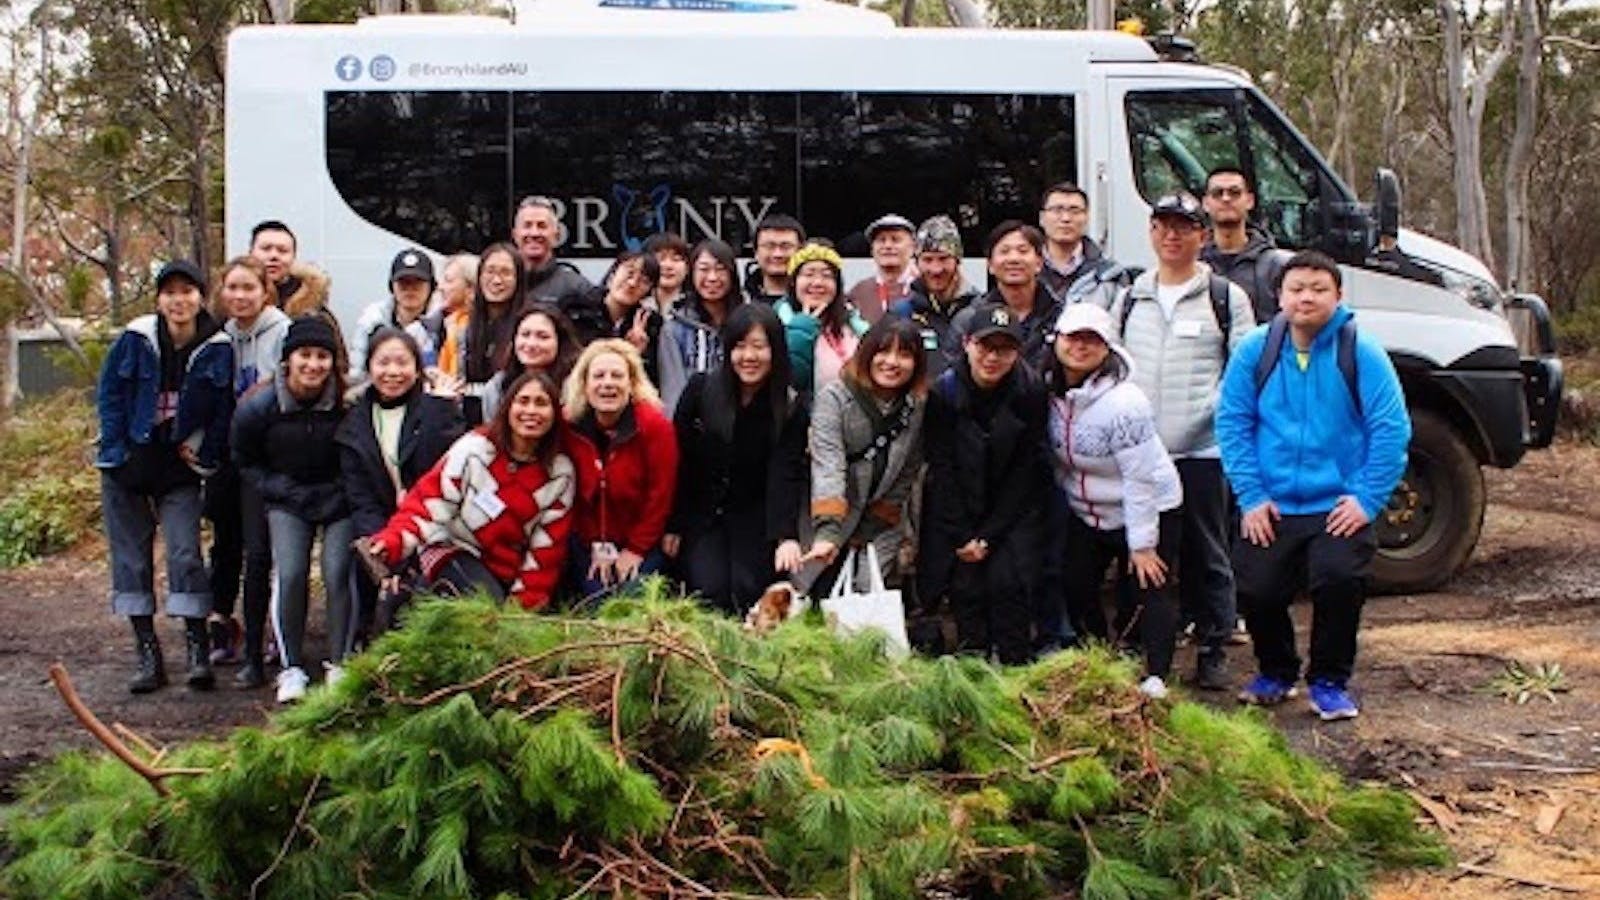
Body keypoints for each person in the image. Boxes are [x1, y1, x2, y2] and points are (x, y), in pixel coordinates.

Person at [1217, 250, 1410, 720]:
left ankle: (1329, 681)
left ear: (1338, 296)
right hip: (1272, 501)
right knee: (1258, 590)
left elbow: (1391, 429)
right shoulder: (1256, 350)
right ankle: (1276, 672)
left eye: (1318, 288)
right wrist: (1252, 496)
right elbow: (1232, 422)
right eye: (1296, 288)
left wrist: (1367, 499)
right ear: (1279, 296)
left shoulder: (1360, 350)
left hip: (1337, 502)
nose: (1306, 297)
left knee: (1338, 582)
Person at [1110, 192, 1255, 691]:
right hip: (1142, 456)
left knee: (1208, 551)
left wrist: (1207, 417)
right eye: (1163, 226)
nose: (1172, 236)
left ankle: (1213, 646)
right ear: (1151, 232)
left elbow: (1243, 371)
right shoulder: (1131, 295)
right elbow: (1113, 367)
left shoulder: (1224, 296)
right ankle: (1141, 647)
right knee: (1144, 552)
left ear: (1202, 234)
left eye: (1184, 227)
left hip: (1202, 451)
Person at [96, 260, 234, 693]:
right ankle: (147, 652)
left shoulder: (217, 345)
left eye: (188, 291)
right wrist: (115, 448)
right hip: (128, 464)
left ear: (201, 296)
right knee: (131, 559)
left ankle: (196, 646)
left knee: (184, 553)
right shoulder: (137, 339)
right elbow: (110, 394)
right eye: (170, 292)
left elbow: (222, 409)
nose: (179, 300)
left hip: (179, 467)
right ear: (159, 299)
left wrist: (207, 454)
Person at [1045, 303, 1183, 699]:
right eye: (1074, 337)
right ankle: (1099, 655)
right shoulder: (1048, 390)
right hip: (1085, 509)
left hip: (1147, 505)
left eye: (1093, 339)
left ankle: (1156, 671)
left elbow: (1139, 478)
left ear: (1108, 348)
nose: (1081, 347)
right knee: (1076, 581)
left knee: (1148, 583)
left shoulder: (1125, 403)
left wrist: (1142, 544)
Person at [361, 369, 576, 610]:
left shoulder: (560, 474)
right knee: (485, 605)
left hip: (507, 568)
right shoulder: (474, 450)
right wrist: (393, 541)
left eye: (541, 403)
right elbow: (429, 503)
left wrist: (522, 611)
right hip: (453, 549)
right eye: (523, 401)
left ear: (554, 414)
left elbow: (546, 550)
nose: (531, 411)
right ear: (507, 408)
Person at [231, 317, 353, 703]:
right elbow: (244, 459)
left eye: (322, 356)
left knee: (337, 571)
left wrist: (341, 492)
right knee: (292, 571)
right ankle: (291, 666)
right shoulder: (259, 405)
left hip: (338, 499)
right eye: (305, 355)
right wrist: (279, 489)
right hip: (286, 498)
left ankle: (340, 662)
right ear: (287, 360)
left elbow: (361, 453)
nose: (313, 365)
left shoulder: (348, 402)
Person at [919, 302, 1048, 664]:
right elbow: (941, 467)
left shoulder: (1031, 391)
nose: (993, 357)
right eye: (985, 347)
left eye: (1004, 350)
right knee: (965, 587)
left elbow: (1027, 469)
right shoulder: (943, 392)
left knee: (1010, 584)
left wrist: (990, 535)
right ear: (967, 344)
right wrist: (963, 535)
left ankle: (1014, 669)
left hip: (1011, 508)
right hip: (958, 504)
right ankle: (971, 669)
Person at [664, 304, 808, 615]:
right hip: (703, 514)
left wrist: (786, 536)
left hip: (754, 516)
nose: (749, 357)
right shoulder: (701, 390)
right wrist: (673, 524)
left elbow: (785, 472)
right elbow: (680, 460)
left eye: (759, 347)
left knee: (748, 587)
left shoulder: (789, 406)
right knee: (708, 588)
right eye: (740, 346)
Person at [336, 328, 464, 638]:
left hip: (434, 526)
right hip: (380, 528)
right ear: (369, 369)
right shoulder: (354, 424)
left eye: (402, 363)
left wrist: (442, 410)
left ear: (418, 369)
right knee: (356, 569)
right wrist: (384, 554)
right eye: (383, 363)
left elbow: (442, 471)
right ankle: (350, 655)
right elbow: (360, 498)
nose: (393, 372)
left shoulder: (434, 410)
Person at [204, 256, 289, 673]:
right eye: (232, 288)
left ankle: (267, 635)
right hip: (227, 456)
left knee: (262, 550)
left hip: (266, 456)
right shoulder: (223, 337)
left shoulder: (281, 331)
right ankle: (223, 627)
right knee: (226, 543)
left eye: (248, 288)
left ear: (265, 291)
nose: (240, 296)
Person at [799, 317, 927, 593]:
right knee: (812, 592)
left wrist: (875, 522)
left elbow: (908, 469)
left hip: (879, 519)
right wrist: (829, 530)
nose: (892, 362)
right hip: (827, 514)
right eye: (883, 351)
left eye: (904, 355)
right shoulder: (834, 398)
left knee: (866, 597)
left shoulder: (917, 406)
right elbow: (828, 466)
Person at [563, 339, 679, 598]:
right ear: (584, 384)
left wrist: (635, 549)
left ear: (632, 384)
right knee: (598, 601)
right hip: (587, 540)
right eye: (598, 376)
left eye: (617, 376)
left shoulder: (655, 427)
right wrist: (596, 545)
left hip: (641, 540)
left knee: (631, 598)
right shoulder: (568, 426)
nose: (607, 383)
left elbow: (660, 497)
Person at [952, 221, 1058, 372]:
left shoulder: (1060, 318)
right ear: (990, 265)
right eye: (1004, 251)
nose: (1014, 259)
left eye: (1022, 251)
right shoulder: (969, 319)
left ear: (1039, 263)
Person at [658, 238, 745, 414]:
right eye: (704, 269)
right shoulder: (674, 329)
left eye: (720, 269)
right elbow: (673, 391)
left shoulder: (746, 322)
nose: (712, 278)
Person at [890, 215, 983, 379]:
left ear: (958, 260)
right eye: (927, 259)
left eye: (943, 258)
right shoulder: (902, 312)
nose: (936, 269)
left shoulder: (980, 309)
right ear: (916, 262)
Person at [774, 241, 868, 396]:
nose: (817, 283)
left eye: (826, 276)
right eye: (809, 274)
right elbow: (790, 379)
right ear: (793, 282)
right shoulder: (776, 322)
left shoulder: (854, 325)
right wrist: (803, 326)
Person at [1200, 167, 1285, 323]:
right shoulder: (1192, 265)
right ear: (1205, 203)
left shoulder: (1276, 266)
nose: (1226, 199)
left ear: (1249, 201)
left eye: (1234, 192)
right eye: (1217, 193)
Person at [455, 241, 524, 425]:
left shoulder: (526, 327)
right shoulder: (461, 325)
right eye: (490, 271)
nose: (496, 280)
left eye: (505, 273)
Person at [481, 303, 583, 422]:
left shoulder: (576, 385)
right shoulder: (497, 387)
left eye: (543, 337)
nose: (531, 344)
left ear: (560, 342)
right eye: (525, 335)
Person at [349, 248, 438, 382]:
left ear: (432, 286)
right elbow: (357, 372)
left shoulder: (444, 324)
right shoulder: (372, 321)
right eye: (403, 283)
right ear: (392, 286)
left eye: (418, 283)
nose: (410, 289)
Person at [1037, 182, 1128, 308]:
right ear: (1042, 218)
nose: (1066, 218)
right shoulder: (1027, 269)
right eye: (1057, 210)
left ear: (1086, 217)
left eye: (1075, 211)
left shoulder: (1109, 274)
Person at [512, 195, 593, 307]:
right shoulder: (502, 284)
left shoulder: (576, 287)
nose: (534, 233)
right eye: (527, 226)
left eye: (542, 226)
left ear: (556, 236)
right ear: (515, 235)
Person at [847, 213, 917, 324]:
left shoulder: (924, 290)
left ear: (912, 247)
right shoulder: (858, 293)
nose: (888, 246)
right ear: (872, 249)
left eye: (895, 240)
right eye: (881, 240)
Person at [428, 251, 478, 379]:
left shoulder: (473, 328)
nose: (440, 287)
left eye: (448, 281)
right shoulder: (447, 323)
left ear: (471, 288)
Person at [745, 213, 806, 305]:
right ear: (756, 252)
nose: (777, 254)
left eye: (786, 246)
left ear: (800, 251)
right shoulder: (740, 299)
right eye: (769, 246)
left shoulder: (814, 297)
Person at [645, 232, 691, 312]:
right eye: (660, 259)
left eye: (676, 259)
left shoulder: (696, 308)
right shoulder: (634, 306)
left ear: (687, 268)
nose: (668, 266)